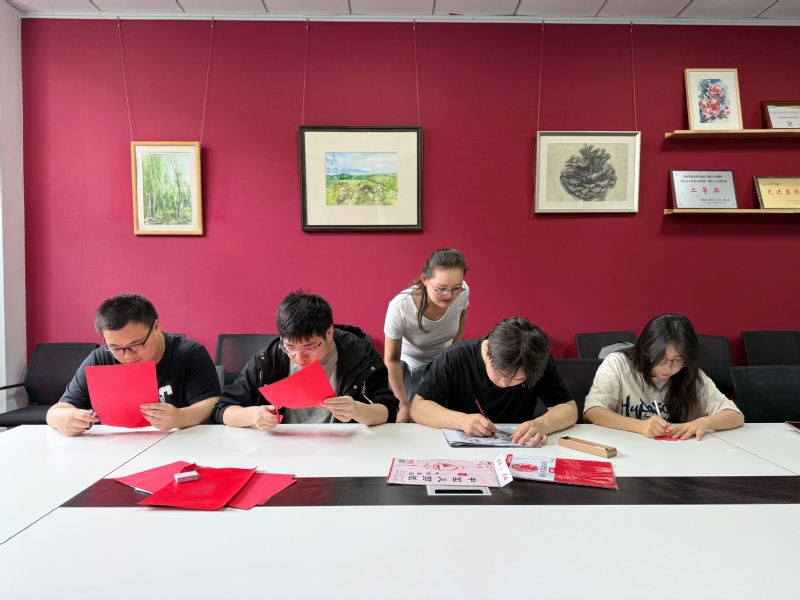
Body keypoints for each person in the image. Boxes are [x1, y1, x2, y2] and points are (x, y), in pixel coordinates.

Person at [215, 290, 398, 428]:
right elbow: (223, 409)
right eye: (290, 347)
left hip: (342, 446)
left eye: (309, 347)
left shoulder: (359, 356)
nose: (299, 357)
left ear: (329, 332)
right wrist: (253, 415)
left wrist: (357, 410)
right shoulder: (269, 359)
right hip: (281, 446)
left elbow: (388, 411)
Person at [46, 293, 221, 436]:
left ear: (156, 327)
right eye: (116, 348)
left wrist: (181, 417)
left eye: (136, 345)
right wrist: (64, 418)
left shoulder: (189, 353)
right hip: (116, 446)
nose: (128, 356)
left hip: (177, 441)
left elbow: (211, 404)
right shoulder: (100, 359)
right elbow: (57, 410)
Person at [409, 317, 578, 446]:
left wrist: (541, 424)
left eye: (517, 379)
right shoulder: (454, 357)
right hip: (460, 449)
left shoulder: (536, 361)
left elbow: (568, 408)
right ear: (487, 348)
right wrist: (461, 421)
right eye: (499, 373)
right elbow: (418, 407)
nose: (504, 383)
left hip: (517, 448)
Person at [583, 314, 744, 440]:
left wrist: (704, 422)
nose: (668, 368)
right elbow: (592, 411)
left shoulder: (689, 374)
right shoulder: (618, 364)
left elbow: (735, 415)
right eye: (661, 358)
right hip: (626, 451)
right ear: (647, 349)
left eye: (678, 360)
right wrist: (641, 426)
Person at [384, 248, 469, 423]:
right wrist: (403, 404)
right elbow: (391, 359)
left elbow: (461, 314)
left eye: (456, 288)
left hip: (443, 364)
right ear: (425, 280)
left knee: (446, 420)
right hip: (408, 367)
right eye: (441, 289)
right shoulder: (400, 307)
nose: (449, 295)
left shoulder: (463, 292)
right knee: (408, 420)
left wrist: (454, 350)